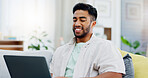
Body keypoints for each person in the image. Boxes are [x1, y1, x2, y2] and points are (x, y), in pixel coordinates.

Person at [50, 3, 125, 78]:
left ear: (93, 24)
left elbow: (115, 75)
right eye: (74, 20)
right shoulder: (60, 51)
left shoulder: (105, 46)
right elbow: (51, 74)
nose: (77, 24)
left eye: (82, 20)